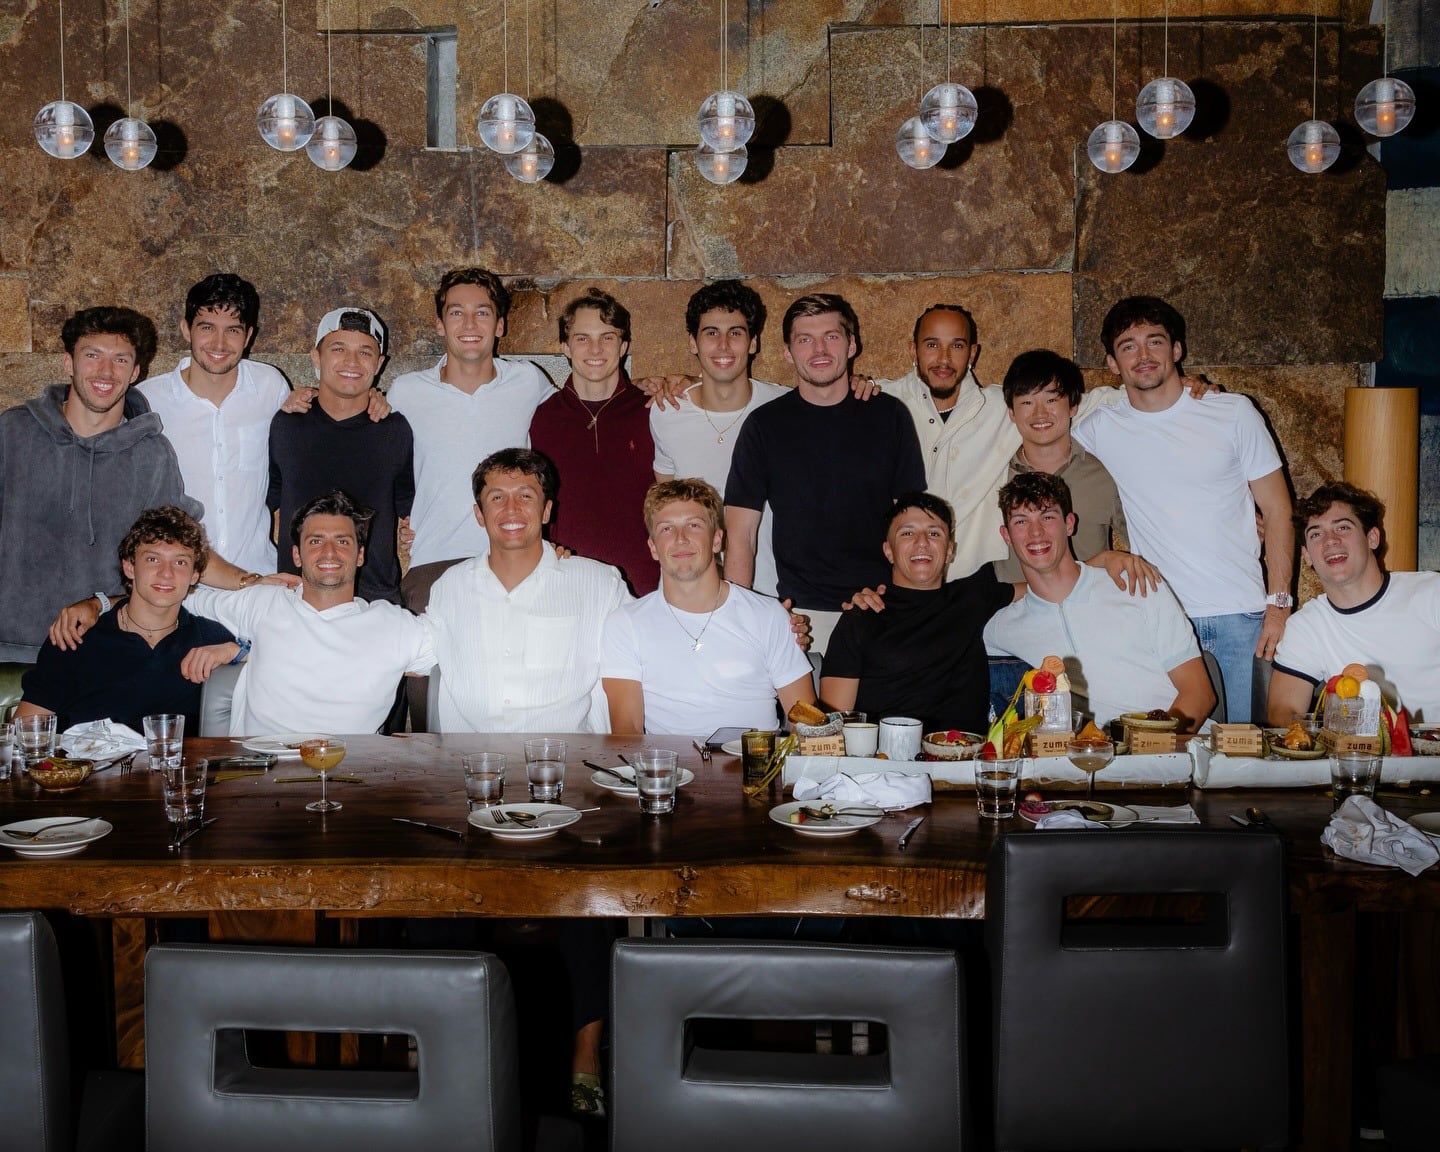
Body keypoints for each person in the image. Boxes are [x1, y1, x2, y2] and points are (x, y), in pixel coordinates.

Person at [1074, 296, 1293, 723]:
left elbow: (1279, 510)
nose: (1143, 355)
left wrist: (1279, 605)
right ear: (1112, 363)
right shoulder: (1099, 427)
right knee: (1168, 753)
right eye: (1128, 346)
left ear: (1176, 349)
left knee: (1245, 753)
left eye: (1155, 341)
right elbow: (1044, 434)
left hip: (1241, 617)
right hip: (1160, 621)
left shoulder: (1232, 412)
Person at [1, 306, 256, 662]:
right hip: (9, 649)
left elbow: (181, 547)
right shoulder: (13, 432)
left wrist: (252, 581)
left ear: (135, 372)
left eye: (120, 360)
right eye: (92, 356)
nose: (106, 372)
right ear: (68, 362)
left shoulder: (151, 454)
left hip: (105, 650)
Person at [140, 274, 390, 578]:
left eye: (233, 330)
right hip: (177, 579)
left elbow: (320, 416)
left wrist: (372, 397)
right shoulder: (148, 401)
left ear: (248, 336)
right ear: (185, 329)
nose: (219, 343)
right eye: (207, 327)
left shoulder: (268, 385)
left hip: (257, 576)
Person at [724, 293, 926, 653]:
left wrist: (903, 597)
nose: (819, 349)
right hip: (800, 619)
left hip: (880, 608)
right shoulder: (765, 426)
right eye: (805, 339)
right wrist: (737, 621)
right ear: (788, 352)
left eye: (831, 336)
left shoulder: (889, 416)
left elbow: (912, 522)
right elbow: (741, 534)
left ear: (852, 345)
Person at [184, 491, 434, 736]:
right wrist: (242, 647)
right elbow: (183, 596)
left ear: (360, 555)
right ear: (297, 554)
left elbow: (451, 649)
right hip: (261, 761)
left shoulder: (391, 625)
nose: (329, 551)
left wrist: (242, 651)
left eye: (342, 541)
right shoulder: (263, 602)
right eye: (316, 541)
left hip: (350, 762)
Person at [984, 473, 1215, 730]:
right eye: (1021, 521)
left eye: (1047, 517)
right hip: (1093, 751)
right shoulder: (1001, 627)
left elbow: (1199, 694)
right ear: (1006, 536)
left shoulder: (1135, 583)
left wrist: (1155, 748)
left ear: (1069, 524)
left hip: (1179, 744)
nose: (1035, 532)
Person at [386, 268, 557, 613]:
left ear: (500, 325)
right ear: (440, 324)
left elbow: (581, 409)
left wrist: (649, 386)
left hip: (516, 560)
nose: (469, 324)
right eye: (456, 313)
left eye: (482, 313)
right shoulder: (407, 391)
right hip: (435, 561)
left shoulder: (527, 381)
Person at [425, 448, 631, 733]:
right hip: (472, 759)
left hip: (567, 758)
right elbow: (407, 648)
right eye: (497, 498)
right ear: (479, 514)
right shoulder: (449, 588)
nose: (511, 508)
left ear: (546, 510)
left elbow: (642, 660)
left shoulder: (600, 585)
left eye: (525, 496)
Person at [602, 479, 815, 735]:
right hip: (670, 762)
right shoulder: (625, 624)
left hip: (756, 759)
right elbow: (627, 733)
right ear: (653, 547)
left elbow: (807, 725)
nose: (680, 538)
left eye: (693, 525)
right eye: (667, 528)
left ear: (716, 540)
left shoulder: (769, 616)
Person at [16, 507, 237, 732]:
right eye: (153, 559)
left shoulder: (208, 637)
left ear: (194, 575)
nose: (166, 573)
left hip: (172, 756)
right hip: (83, 755)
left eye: (180, 562)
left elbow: (259, 662)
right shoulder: (77, 636)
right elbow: (23, 733)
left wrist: (234, 651)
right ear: (129, 567)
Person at [820, 492, 1017, 735]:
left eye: (934, 533)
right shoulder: (861, 615)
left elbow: (1048, 586)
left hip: (965, 754)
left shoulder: (972, 598)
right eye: (907, 533)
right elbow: (832, 728)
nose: (922, 542)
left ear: (949, 550)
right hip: (886, 756)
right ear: (888, 550)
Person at [268, 307, 415, 604]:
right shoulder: (287, 424)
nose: (352, 361)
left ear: (379, 363)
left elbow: (409, 506)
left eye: (365, 352)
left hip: (375, 600)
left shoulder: (394, 430)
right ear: (316, 357)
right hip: (298, 596)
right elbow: (268, 498)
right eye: (338, 349)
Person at [650, 281, 788, 596]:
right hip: (691, 592)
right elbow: (665, 504)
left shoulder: (783, 409)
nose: (723, 345)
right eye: (711, 333)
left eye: (735, 333)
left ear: (753, 342)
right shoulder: (667, 412)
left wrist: (865, 384)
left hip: (772, 591)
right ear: (693, 342)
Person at [1269, 482, 1440, 723]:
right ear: (1307, 555)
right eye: (1316, 534)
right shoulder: (1307, 625)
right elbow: (1282, 711)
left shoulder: (1431, 592)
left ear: (1372, 538)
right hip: (1360, 747)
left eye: (1343, 527)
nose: (1330, 540)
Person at [529, 289, 659, 595]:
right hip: (565, 584)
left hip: (644, 586)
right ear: (565, 346)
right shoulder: (542, 417)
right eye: (582, 338)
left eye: (607, 337)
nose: (595, 349)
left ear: (624, 346)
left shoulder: (653, 411)